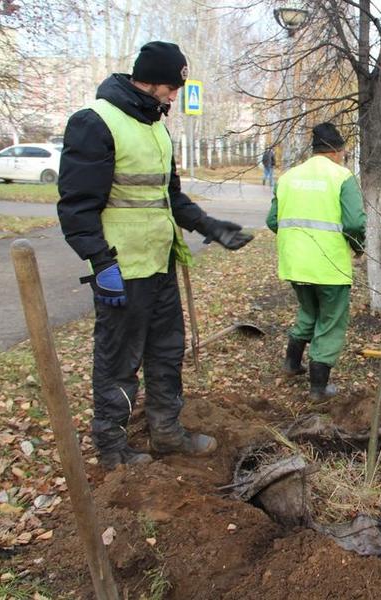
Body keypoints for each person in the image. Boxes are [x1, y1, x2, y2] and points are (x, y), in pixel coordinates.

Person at [57, 41, 253, 470]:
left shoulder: (155, 127)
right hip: (121, 269)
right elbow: (76, 207)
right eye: (172, 87)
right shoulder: (95, 122)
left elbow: (170, 197)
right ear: (150, 81)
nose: (175, 96)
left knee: (166, 351)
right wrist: (101, 263)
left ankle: (166, 432)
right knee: (118, 360)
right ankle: (113, 448)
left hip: (160, 263)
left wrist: (210, 226)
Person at [267, 122, 366, 400]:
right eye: (343, 153)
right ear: (336, 151)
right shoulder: (342, 177)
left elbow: (272, 220)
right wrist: (358, 247)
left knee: (309, 311)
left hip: (295, 263)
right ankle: (318, 388)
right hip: (329, 265)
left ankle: (291, 364)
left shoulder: (288, 177)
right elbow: (355, 223)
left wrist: (296, 241)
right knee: (331, 321)